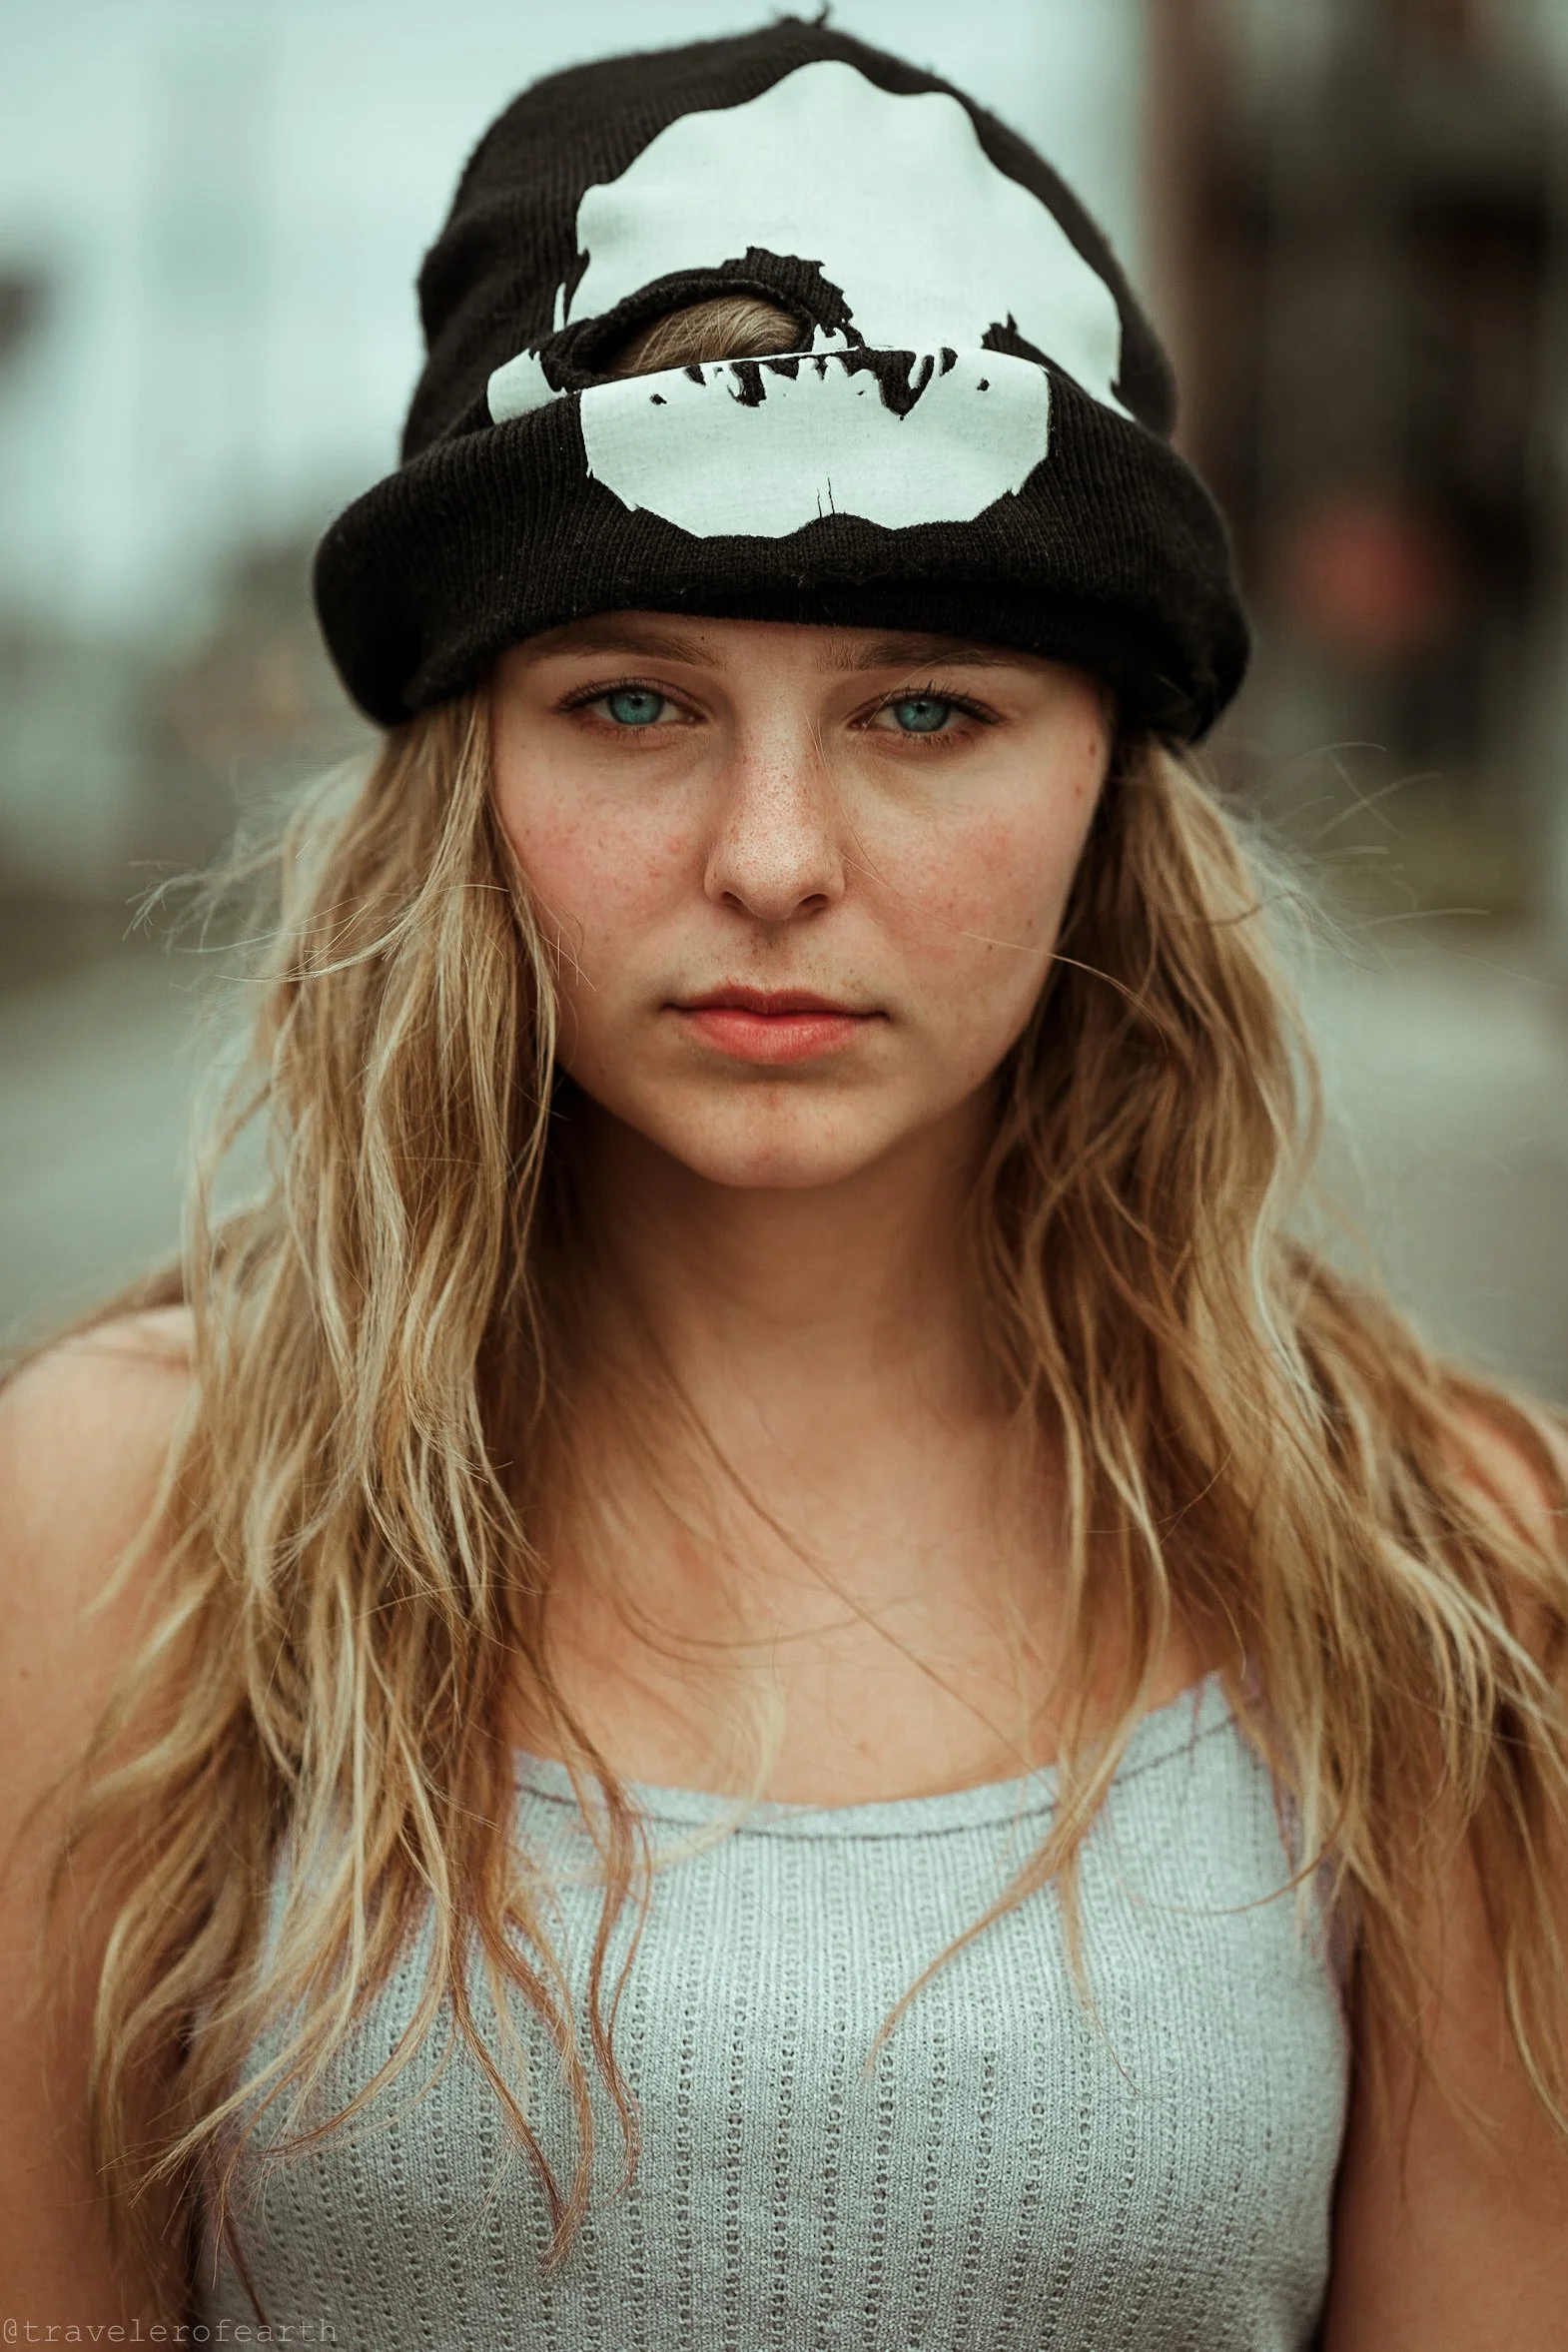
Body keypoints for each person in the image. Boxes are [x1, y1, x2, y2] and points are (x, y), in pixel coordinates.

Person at [2, 17, 1565, 2347]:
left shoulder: (1429, 1558)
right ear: (466, 773)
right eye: (630, 702)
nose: (766, 862)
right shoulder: (127, 1516)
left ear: (1105, 792)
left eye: (924, 710)